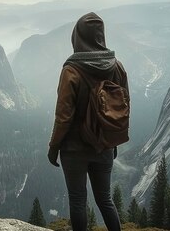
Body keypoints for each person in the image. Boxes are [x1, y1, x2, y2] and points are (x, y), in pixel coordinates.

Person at [47, 12, 129, 231]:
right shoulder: (117, 67)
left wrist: (54, 147)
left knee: (77, 201)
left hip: (74, 148)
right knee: (105, 200)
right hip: (103, 145)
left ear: (78, 37)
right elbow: (122, 107)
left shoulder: (71, 71)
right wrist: (113, 141)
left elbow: (63, 116)